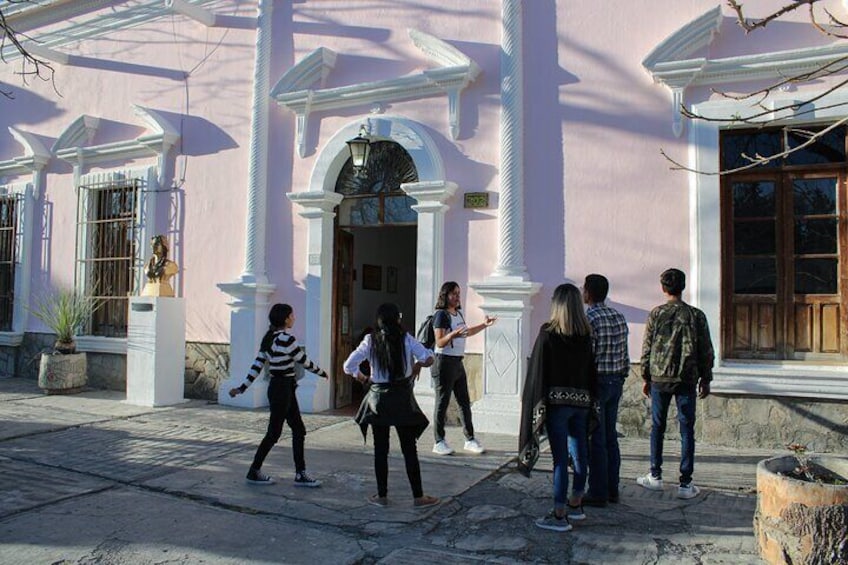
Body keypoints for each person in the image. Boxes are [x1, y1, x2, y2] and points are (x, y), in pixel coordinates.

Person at [343, 303, 440, 508]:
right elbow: (429, 357)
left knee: (381, 448)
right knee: (409, 449)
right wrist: (416, 365)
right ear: (397, 319)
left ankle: (382, 495)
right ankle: (418, 496)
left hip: (378, 399)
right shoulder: (407, 339)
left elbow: (348, 365)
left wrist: (363, 378)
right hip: (402, 398)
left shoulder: (370, 340)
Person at [518, 283, 597, 532]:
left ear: (557, 304)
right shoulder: (585, 335)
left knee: (561, 459)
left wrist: (534, 400)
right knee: (580, 454)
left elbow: (538, 371)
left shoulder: (548, 333)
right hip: (581, 404)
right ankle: (576, 502)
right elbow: (589, 371)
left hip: (557, 406)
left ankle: (559, 513)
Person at [229, 303, 329, 487]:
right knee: (274, 433)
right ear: (285, 319)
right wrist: (322, 372)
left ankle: (300, 473)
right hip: (283, 389)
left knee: (298, 430)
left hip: (280, 387)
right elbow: (303, 361)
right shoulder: (287, 339)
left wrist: (242, 387)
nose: (294, 318)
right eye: (292, 315)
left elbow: (257, 366)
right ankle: (254, 471)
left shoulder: (268, 339)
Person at [637, 268, 714, 500]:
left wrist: (645, 375)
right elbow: (706, 350)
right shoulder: (696, 316)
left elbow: (647, 347)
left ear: (663, 288)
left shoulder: (656, 314)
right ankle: (685, 483)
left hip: (660, 378)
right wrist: (706, 378)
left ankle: (655, 475)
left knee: (657, 427)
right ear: (683, 287)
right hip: (687, 378)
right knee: (686, 429)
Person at [431, 281, 497, 456]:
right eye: (453, 294)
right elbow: (439, 341)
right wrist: (453, 334)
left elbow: (467, 332)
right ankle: (439, 441)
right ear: (445, 295)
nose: (456, 297)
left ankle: (470, 439)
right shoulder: (441, 315)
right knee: (442, 402)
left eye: (458, 294)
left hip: (457, 362)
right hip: (444, 361)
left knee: (464, 402)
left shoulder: (457, 313)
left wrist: (484, 325)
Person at [582, 274, 630, 507]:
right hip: (616, 380)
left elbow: (588, 356)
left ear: (588, 293)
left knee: (596, 438)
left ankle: (598, 491)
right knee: (610, 436)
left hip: (598, 382)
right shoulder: (618, 316)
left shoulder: (589, 318)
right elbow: (625, 352)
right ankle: (613, 488)